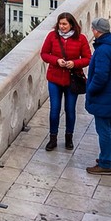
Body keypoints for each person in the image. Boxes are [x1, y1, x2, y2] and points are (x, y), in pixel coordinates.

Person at [40, 11, 92, 152]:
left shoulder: (80, 38)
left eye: (65, 24)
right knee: (54, 109)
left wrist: (74, 63)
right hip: (54, 78)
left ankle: (69, 138)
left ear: (71, 25)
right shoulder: (52, 36)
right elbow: (44, 54)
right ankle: (53, 138)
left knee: (70, 110)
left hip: (72, 80)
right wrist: (56, 60)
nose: (62, 27)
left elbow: (88, 58)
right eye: (60, 24)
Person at [85, 17, 111, 175]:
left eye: (93, 29)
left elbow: (101, 76)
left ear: (97, 30)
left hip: (103, 97)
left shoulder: (103, 50)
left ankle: (105, 163)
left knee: (103, 130)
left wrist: (91, 89)